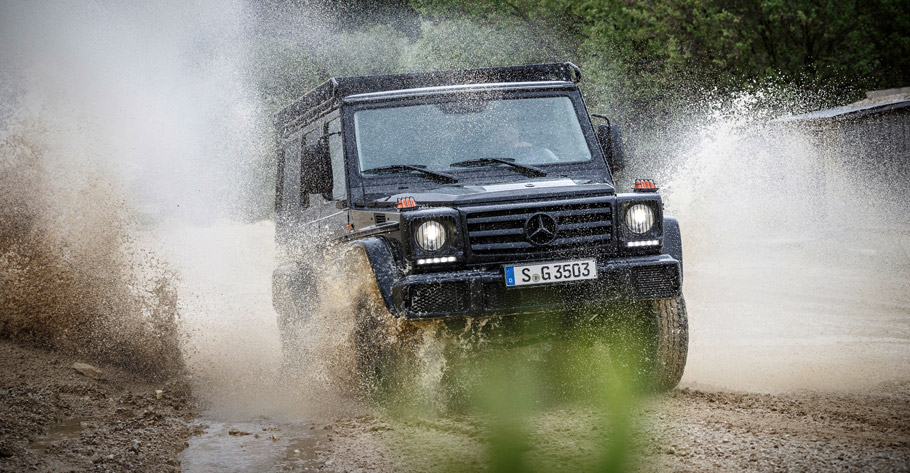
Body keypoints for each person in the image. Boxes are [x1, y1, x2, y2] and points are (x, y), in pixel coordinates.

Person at [488, 124, 559, 163]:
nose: (506, 137)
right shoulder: (487, 155)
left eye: (511, 133)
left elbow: (557, 167)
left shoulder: (541, 152)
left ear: (518, 135)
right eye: (501, 135)